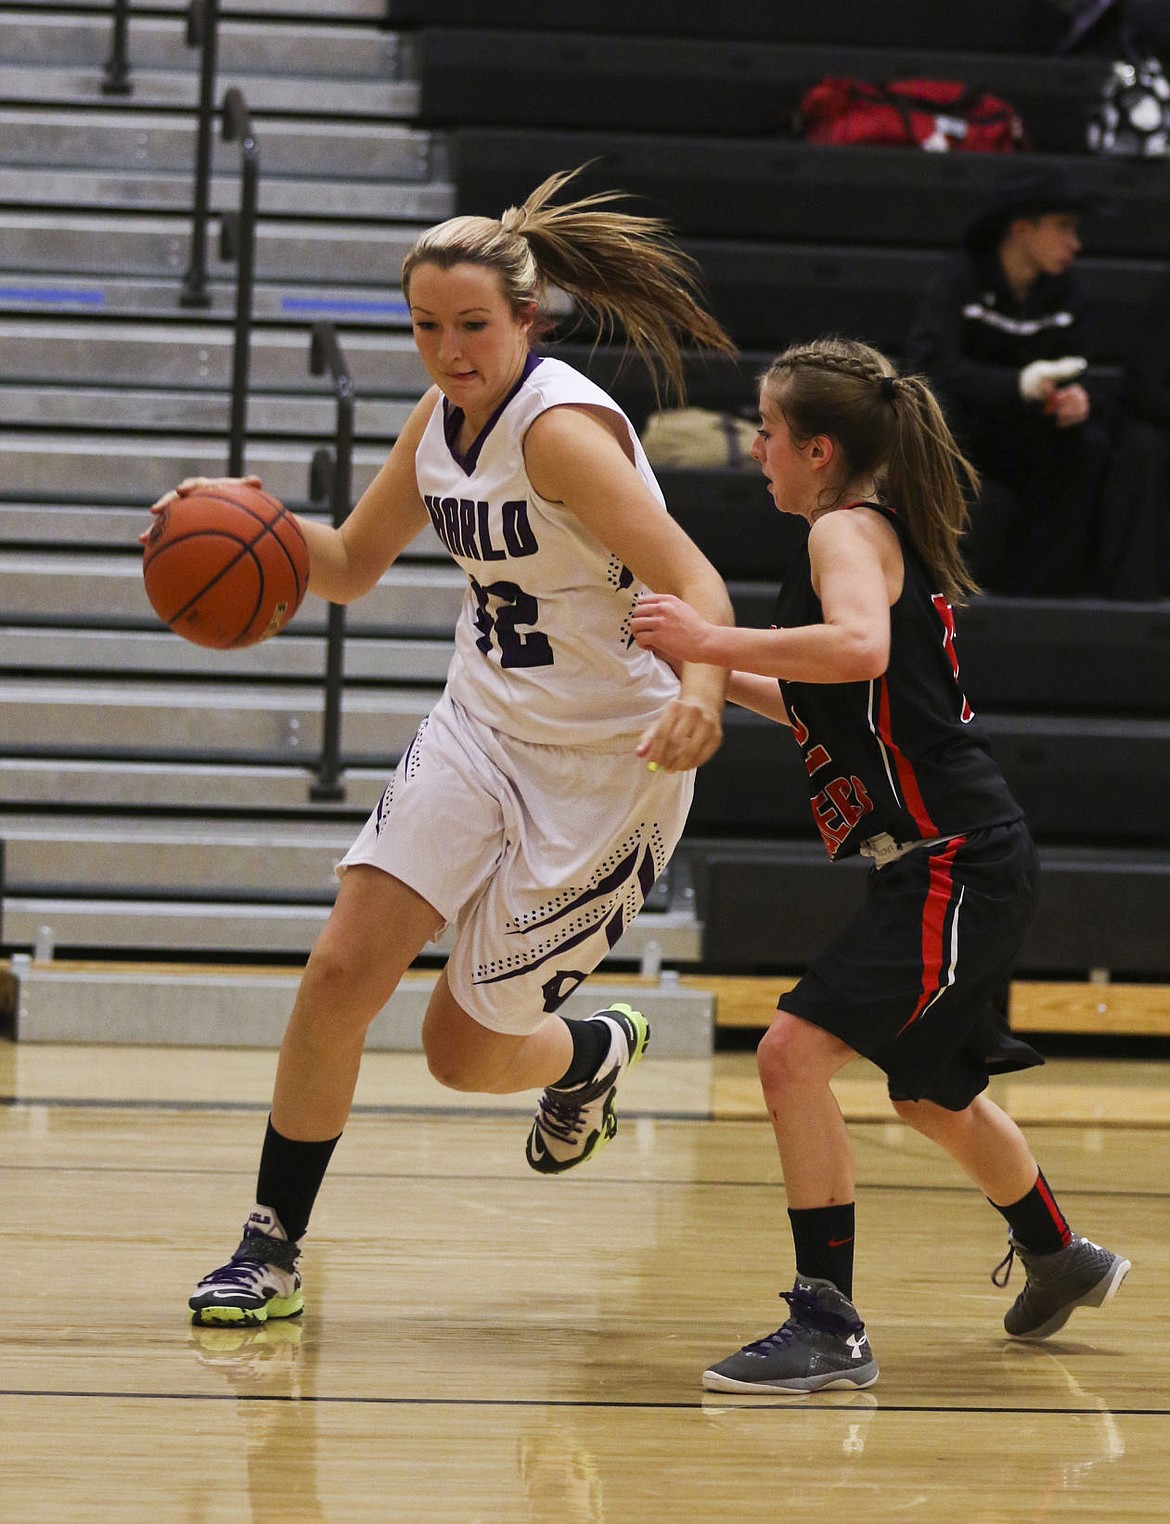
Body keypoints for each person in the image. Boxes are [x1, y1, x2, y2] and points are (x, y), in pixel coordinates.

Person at [153, 166, 736, 1327]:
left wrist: (707, 691)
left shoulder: (562, 434)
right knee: (337, 975)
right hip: (479, 729)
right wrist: (221, 521)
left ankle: (583, 1055)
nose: (450, 350)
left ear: (530, 318)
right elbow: (352, 566)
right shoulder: (440, 415)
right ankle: (268, 1248)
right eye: (427, 327)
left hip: (610, 769)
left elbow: (694, 578)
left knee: (460, 1056)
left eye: (473, 326)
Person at [630, 336, 1130, 1395]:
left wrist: (713, 643)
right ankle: (1060, 1255)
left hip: (954, 858)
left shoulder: (844, 535)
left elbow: (853, 648)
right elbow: (828, 692)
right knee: (929, 1089)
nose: (755, 448)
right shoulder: (855, 532)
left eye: (768, 433)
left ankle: (829, 1325)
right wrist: (690, 659)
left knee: (787, 1058)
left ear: (818, 449)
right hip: (950, 861)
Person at [905, 163, 1116, 596]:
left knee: (1093, 445)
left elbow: (1082, 365)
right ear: (1021, 229)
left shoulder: (1068, 292)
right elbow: (929, 366)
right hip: (967, 437)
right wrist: (1016, 385)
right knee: (949, 447)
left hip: (1033, 436)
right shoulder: (960, 279)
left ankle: (1050, 600)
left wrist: (1080, 396)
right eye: (1063, 228)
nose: (1075, 244)